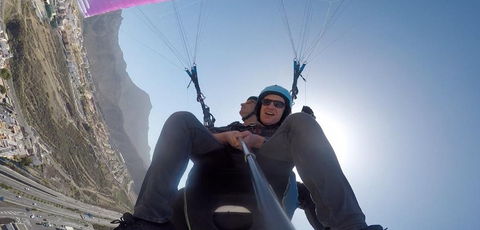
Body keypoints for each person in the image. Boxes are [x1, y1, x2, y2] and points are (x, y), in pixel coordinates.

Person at [112, 85, 384, 230]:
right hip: (217, 164)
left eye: (279, 104)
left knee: (303, 123)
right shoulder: (232, 125)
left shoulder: (286, 133)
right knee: (181, 120)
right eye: (267, 102)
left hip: (267, 169)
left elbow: (305, 193)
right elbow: (197, 137)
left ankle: (348, 226)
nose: (271, 107)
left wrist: (262, 142)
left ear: (283, 111)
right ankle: (147, 222)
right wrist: (226, 136)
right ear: (259, 105)